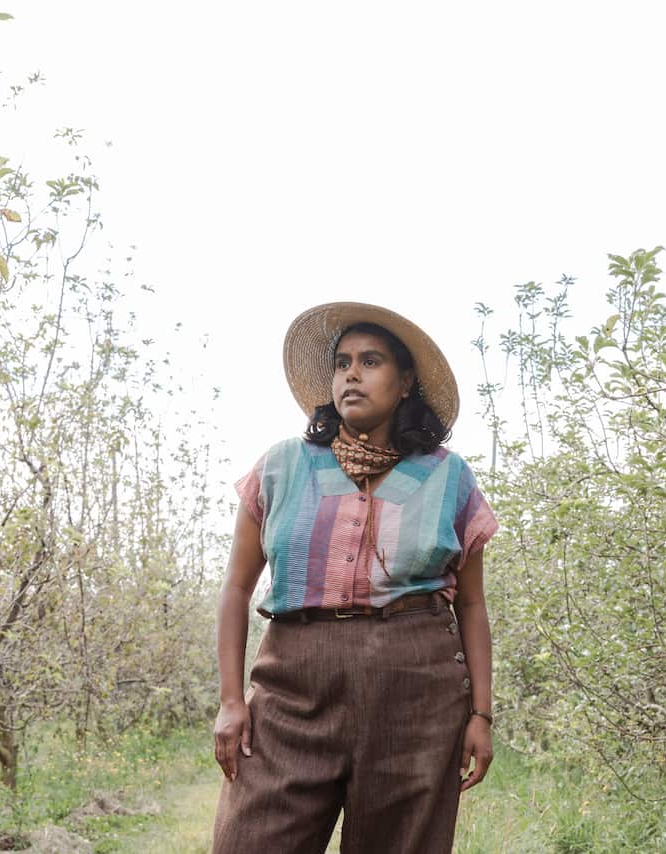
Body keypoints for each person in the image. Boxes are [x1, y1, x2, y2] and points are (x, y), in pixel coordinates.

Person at [210, 302, 499, 854]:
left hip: (416, 688)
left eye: (371, 361)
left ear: (405, 380)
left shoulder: (447, 476)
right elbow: (237, 588)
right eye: (343, 362)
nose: (352, 373)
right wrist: (230, 700)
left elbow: (473, 607)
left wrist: (481, 713)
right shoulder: (281, 466)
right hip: (294, 686)